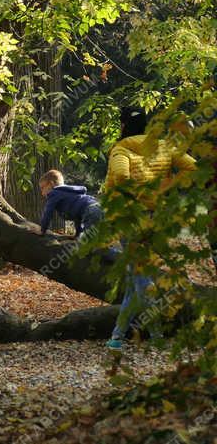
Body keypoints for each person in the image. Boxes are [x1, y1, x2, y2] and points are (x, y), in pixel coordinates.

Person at [103, 108, 197, 351]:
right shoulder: (164, 147)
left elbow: (122, 176)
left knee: (141, 279)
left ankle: (155, 335)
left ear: (123, 126)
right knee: (137, 278)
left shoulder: (121, 149)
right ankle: (118, 337)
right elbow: (193, 167)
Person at [37, 169, 104, 238]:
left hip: (91, 211)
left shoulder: (54, 193)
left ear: (51, 184)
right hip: (98, 207)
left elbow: (48, 213)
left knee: (89, 241)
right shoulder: (70, 194)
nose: (42, 193)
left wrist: (42, 230)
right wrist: (77, 234)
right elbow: (77, 216)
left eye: (42, 188)